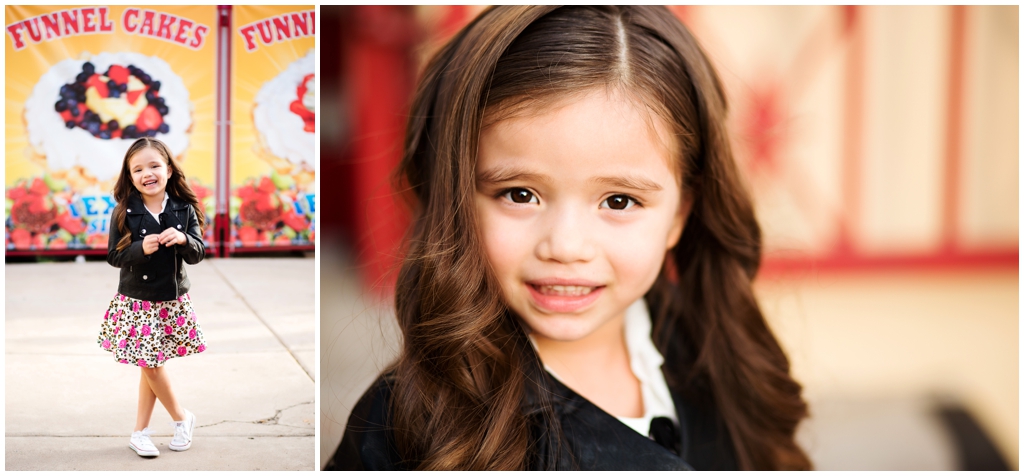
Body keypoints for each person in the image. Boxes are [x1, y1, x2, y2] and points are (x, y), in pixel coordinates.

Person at [327, 5, 810, 470]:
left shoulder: (717, 356)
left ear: (681, 213)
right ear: (453, 194)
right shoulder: (404, 423)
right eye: (519, 194)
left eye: (619, 202)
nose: (565, 246)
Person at [97, 137, 207, 457]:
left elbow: (198, 253)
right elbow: (114, 257)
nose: (148, 173)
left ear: (169, 171)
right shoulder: (124, 213)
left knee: (150, 365)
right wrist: (138, 250)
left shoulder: (184, 209)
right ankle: (181, 418)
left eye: (155, 165)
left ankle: (140, 432)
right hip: (137, 300)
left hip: (170, 300)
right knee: (151, 365)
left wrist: (184, 238)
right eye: (138, 168)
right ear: (130, 177)